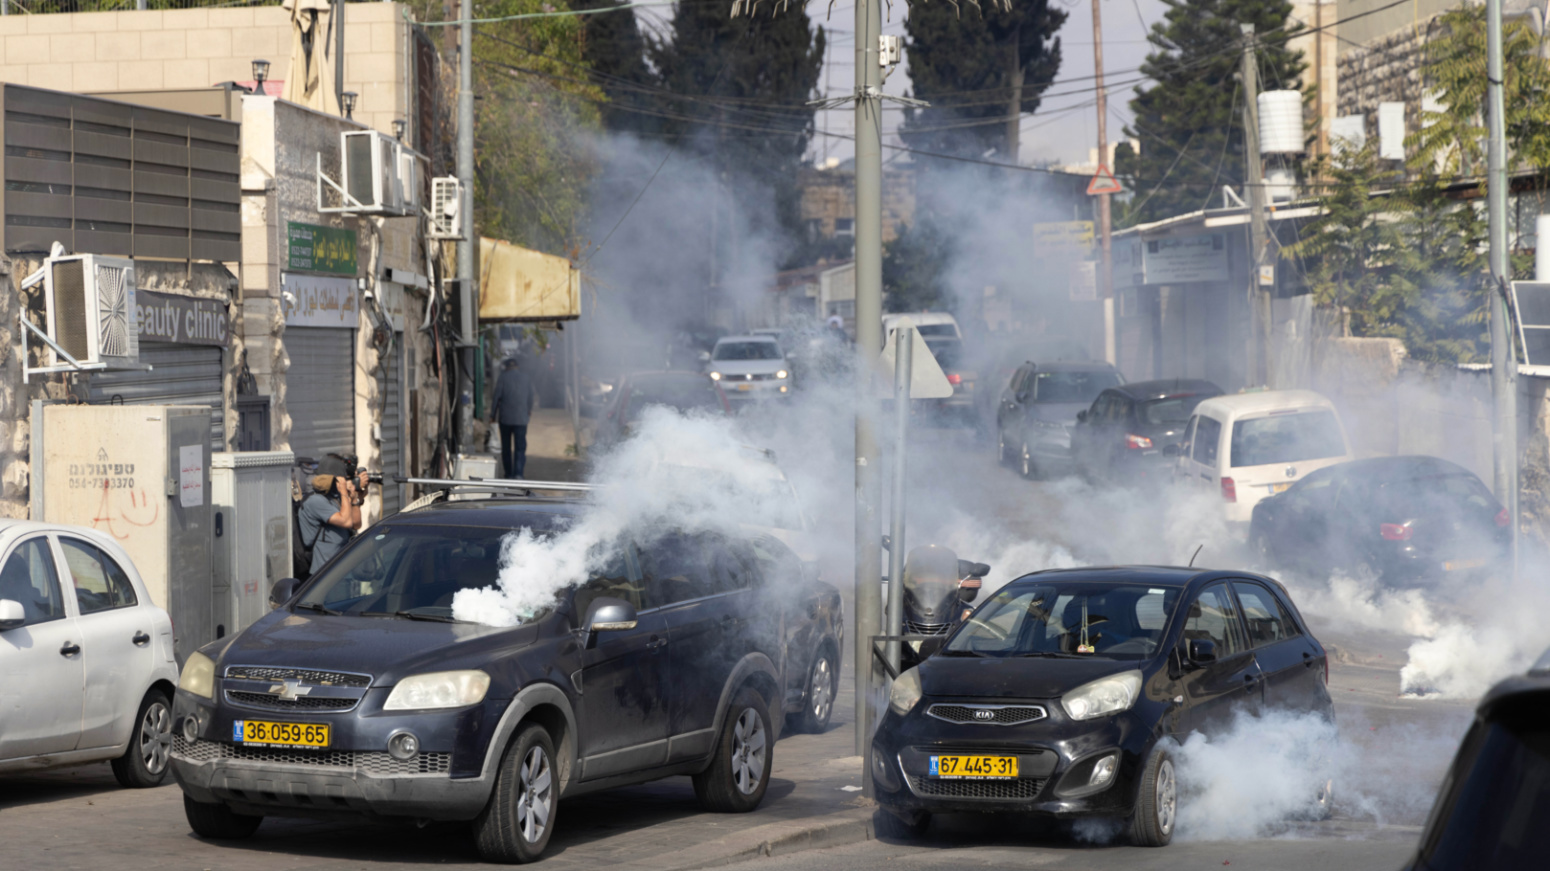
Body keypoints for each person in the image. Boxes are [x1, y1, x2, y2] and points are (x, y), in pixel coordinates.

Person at [297, 456, 365, 575]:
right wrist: (344, 490)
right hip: (325, 572)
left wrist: (354, 499)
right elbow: (346, 521)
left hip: (342, 568)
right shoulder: (315, 501)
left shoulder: (335, 498)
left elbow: (356, 524)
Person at [491, 355, 537, 479]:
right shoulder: (526, 378)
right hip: (521, 419)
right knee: (520, 448)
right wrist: (528, 410)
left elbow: (496, 398)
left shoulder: (503, 378)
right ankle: (518, 474)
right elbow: (531, 397)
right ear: (518, 367)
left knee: (506, 448)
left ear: (506, 367)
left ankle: (508, 474)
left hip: (505, 419)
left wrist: (492, 416)